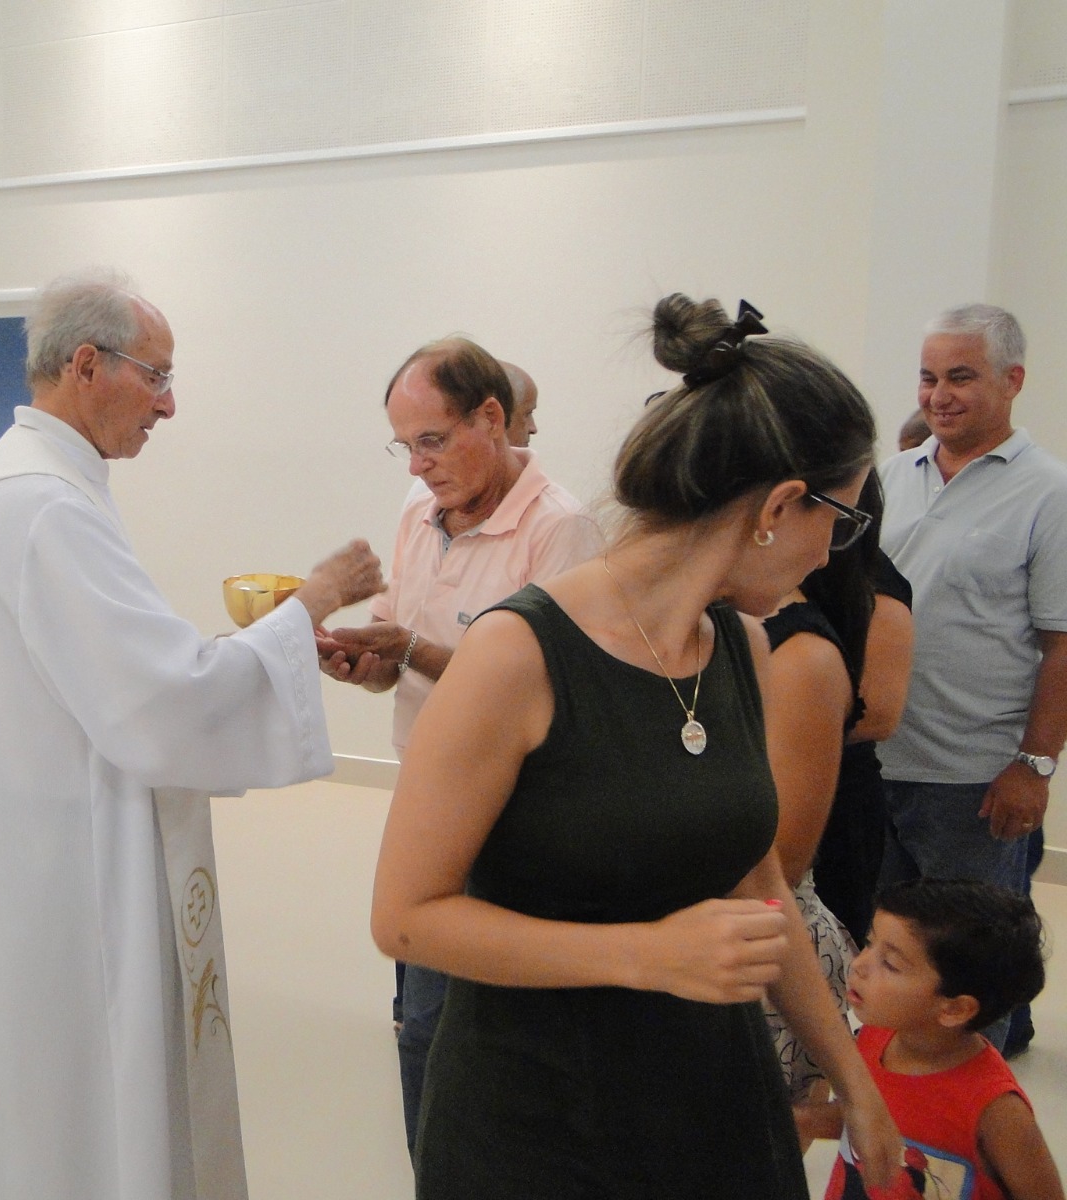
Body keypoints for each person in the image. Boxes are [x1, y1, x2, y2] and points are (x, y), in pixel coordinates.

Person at [370, 294, 901, 1198]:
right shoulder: (518, 654)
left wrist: (852, 1078)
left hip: (707, 1095)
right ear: (779, 506)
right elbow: (407, 918)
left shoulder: (743, 648)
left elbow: (758, 882)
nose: (830, 557)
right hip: (539, 1114)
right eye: (841, 524)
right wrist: (644, 954)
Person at [0, 268, 384, 1200]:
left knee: (40, 1103)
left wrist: (259, 644)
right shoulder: (47, 506)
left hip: (35, 845)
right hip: (73, 868)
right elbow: (160, 704)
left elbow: (127, 675)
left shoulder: (32, 489)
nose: (168, 406)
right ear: (87, 365)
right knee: (81, 1098)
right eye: (157, 377)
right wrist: (313, 599)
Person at [316, 337, 597, 1154]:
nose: (417, 466)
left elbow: (545, 693)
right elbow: (401, 656)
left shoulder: (561, 529)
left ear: (493, 418)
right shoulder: (420, 509)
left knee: (466, 1036)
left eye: (433, 441)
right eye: (405, 446)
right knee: (420, 1030)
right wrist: (368, 664)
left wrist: (410, 650)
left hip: (514, 817)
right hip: (424, 796)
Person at [877, 303, 1067, 1055]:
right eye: (928, 378)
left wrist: (1034, 765)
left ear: (1012, 381)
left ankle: (977, 1087)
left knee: (971, 958)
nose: (939, 395)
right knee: (893, 950)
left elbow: (1062, 645)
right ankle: (904, 1078)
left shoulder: (1049, 492)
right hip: (877, 757)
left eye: (960, 377)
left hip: (974, 776)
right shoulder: (893, 476)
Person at [761, 468, 913, 1105]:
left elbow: (878, 713)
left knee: (817, 971)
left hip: (839, 796)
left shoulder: (871, 590)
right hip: (783, 789)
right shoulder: (748, 598)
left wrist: (794, 725)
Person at [799, 880, 1061, 1200]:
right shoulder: (874, 1037)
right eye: (869, 943)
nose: (860, 965)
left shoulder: (997, 1109)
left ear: (955, 1009)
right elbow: (869, 1118)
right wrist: (800, 1120)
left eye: (890, 964)